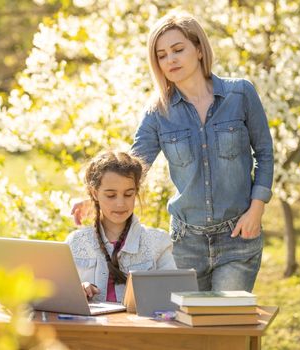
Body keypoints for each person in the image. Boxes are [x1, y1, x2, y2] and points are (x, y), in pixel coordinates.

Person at [73, 11, 273, 292]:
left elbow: (264, 153)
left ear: (200, 50)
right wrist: (92, 196)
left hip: (238, 236)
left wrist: (257, 209)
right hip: (185, 244)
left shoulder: (240, 94)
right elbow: (133, 167)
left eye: (178, 50)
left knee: (224, 325)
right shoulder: (158, 112)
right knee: (188, 328)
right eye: (162, 55)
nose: (171, 60)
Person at [66, 151, 176, 302]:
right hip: (90, 326)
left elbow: (173, 299)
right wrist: (77, 290)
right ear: (95, 193)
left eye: (128, 194)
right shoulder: (75, 242)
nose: (120, 203)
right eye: (111, 195)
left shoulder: (158, 242)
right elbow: (58, 296)